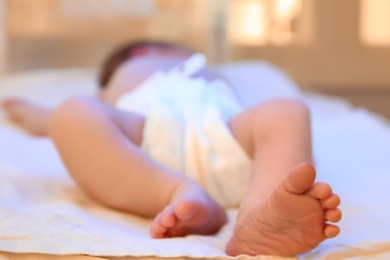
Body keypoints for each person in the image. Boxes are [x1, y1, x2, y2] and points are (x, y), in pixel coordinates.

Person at [1, 40, 342, 257]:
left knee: (286, 109)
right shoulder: (122, 80)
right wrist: (29, 111)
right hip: (141, 143)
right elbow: (56, 122)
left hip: (227, 135)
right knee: (72, 112)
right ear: (143, 52)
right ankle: (180, 192)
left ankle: (260, 213)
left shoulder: (209, 76)